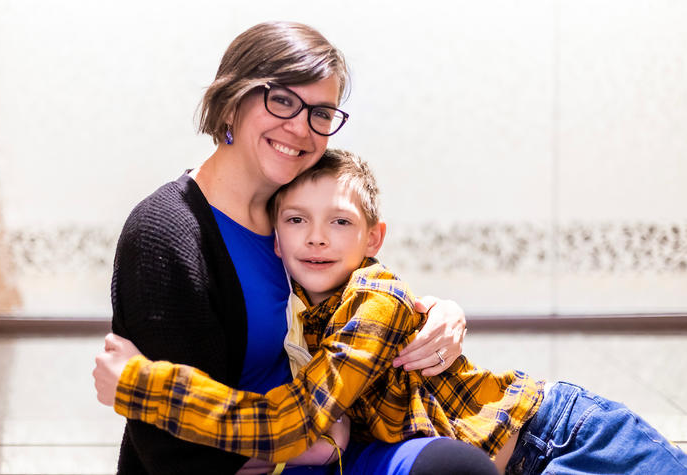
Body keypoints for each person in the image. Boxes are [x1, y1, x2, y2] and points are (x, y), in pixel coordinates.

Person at [96, 149, 687, 475]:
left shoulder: (374, 300)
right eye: (296, 220)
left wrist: (141, 384)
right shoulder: (292, 298)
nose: (316, 239)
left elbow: (287, 422)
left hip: (560, 437)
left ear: (374, 237)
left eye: (340, 223)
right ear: (273, 238)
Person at [108, 21, 479, 475]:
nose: (301, 128)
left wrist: (436, 314)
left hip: (339, 442)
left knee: (457, 465)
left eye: (320, 113)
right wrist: (313, 447)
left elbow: (363, 298)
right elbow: (177, 452)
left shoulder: (297, 208)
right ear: (230, 102)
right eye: (281, 100)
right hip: (276, 451)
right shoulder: (164, 235)